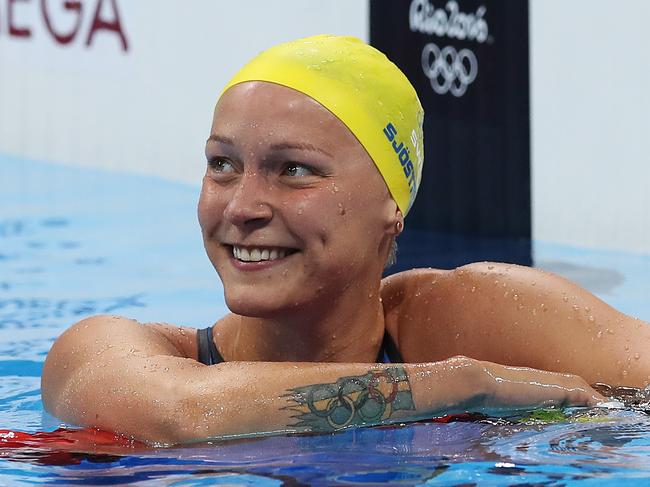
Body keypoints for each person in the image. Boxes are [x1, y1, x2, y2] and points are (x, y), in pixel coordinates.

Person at [41, 35, 650, 445]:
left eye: (294, 170)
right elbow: (184, 412)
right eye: (222, 164)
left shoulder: (471, 316)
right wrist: (469, 386)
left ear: (392, 203)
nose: (243, 206)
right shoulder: (106, 350)